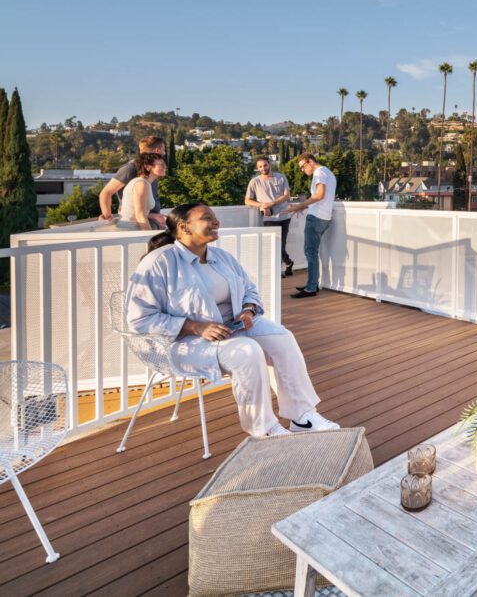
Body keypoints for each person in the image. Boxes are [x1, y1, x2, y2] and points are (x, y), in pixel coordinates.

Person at [125, 203, 340, 437]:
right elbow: (139, 318)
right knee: (247, 351)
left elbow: (249, 289)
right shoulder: (160, 262)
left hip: (233, 328)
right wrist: (195, 326)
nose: (216, 222)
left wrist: (248, 310)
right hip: (185, 341)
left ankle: (302, 416)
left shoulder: (222, 257)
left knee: (282, 338)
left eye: (215, 217)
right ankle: (263, 428)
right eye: (207, 217)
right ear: (184, 227)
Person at [283, 153, 336, 299]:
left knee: (310, 252)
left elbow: (319, 195)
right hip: (324, 217)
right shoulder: (328, 173)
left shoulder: (319, 173)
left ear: (310, 161)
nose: (302, 170)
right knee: (312, 252)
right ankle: (311, 283)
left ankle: (311, 287)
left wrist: (298, 206)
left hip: (316, 218)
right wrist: (304, 207)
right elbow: (322, 199)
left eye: (302, 166)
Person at [99, 136, 167, 229]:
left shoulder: (151, 173)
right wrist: (107, 216)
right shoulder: (131, 169)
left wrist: (153, 216)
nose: (165, 153)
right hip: (137, 225)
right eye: (163, 149)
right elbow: (106, 192)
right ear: (157, 150)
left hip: (149, 220)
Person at [245, 156, 294, 277]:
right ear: (257, 168)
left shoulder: (281, 177)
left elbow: (286, 196)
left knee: (281, 244)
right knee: (272, 244)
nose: (263, 168)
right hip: (268, 218)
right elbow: (247, 200)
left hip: (284, 216)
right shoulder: (254, 182)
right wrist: (261, 205)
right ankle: (283, 266)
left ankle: (285, 265)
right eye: (260, 166)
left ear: (269, 164)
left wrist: (272, 203)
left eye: (265, 165)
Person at [112, 152, 166, 230]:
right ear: (147, 166)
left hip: (134, 229)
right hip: (131, 231)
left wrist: (153, 216)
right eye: (161, 164)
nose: (165, 167)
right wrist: (149, 237)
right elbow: (140, 216)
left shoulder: (144, 183)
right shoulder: (141, 184)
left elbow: (134, 211)